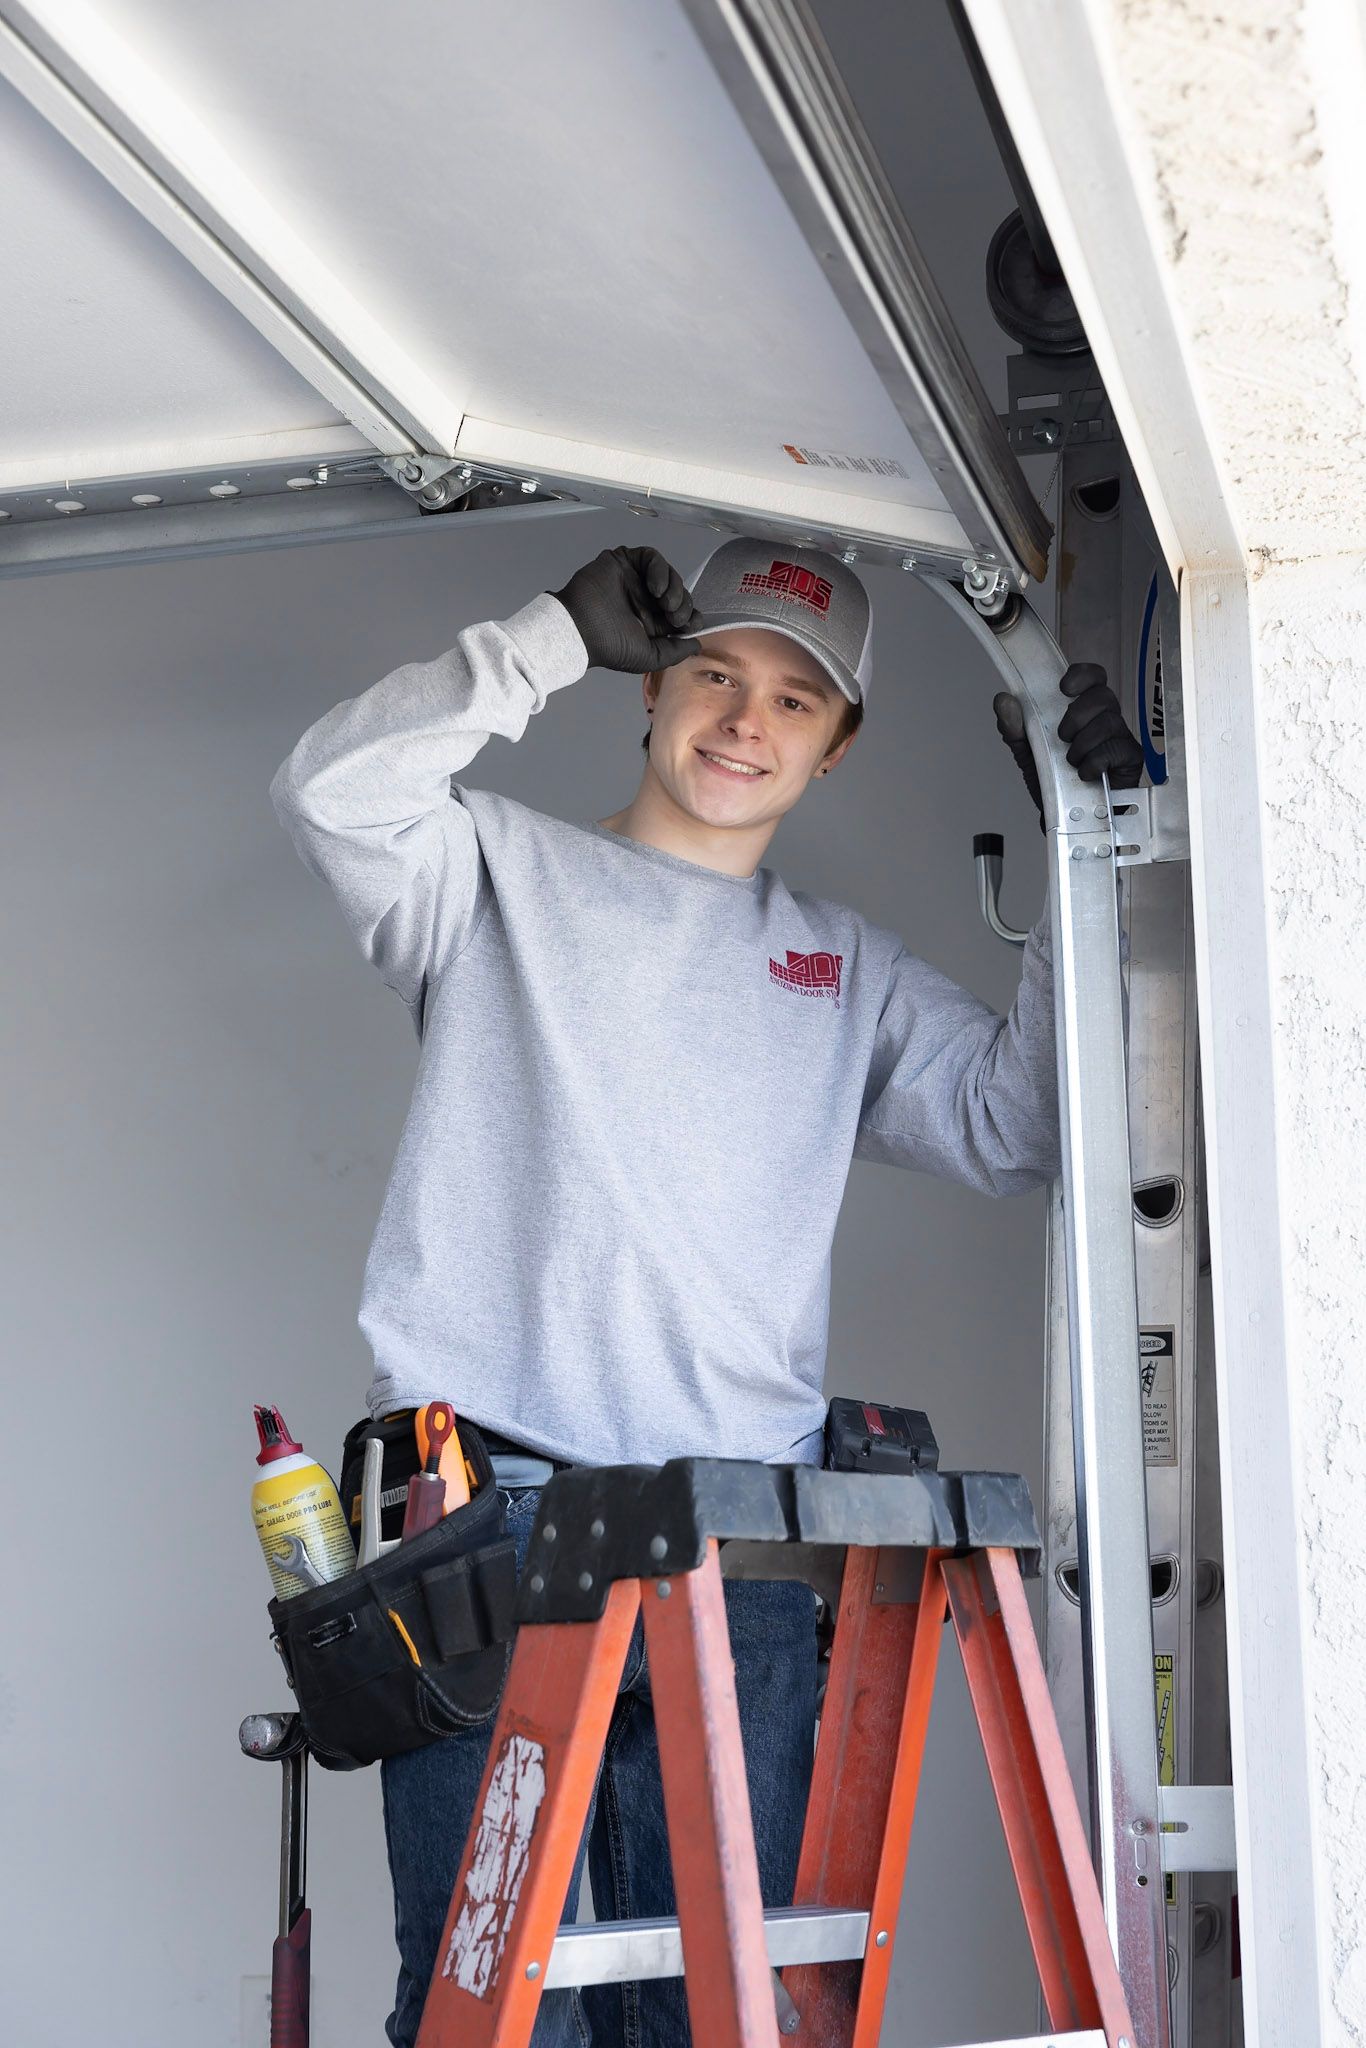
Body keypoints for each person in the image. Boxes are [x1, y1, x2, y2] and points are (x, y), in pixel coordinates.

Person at [270, 538, 1142, 2047]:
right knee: (490, 2011)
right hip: (490, 1525)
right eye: (714, 676)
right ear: (651, 684)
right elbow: (328, 795)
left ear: (834, 746)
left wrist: (1081, 838)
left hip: (735, 1548)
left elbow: (1019, 1125)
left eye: (794, 701)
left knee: (709, 2010)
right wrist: (541, 636)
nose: (744, 722)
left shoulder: (836, 970)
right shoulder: (487, 875)